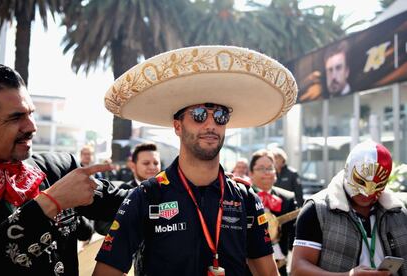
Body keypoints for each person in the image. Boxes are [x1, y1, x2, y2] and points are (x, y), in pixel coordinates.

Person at [93, 45, 298, 275]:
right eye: (199, 115)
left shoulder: (245, 198)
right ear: (178, 126)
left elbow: (268, 273)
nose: (211, 125)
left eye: (220, 116)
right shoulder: (146, 196)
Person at [0, 63, 128, 275]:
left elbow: (129, 202)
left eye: (31, 114)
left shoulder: (58, 170)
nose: (31, 127)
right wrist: (48, 204)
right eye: (16, 117)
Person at [291, 140, 407, 276]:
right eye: (360, 181)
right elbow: (298, 269)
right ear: (347, 170)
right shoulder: (317, 209)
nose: (367, 193)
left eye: (378, 185)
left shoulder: (400, 211)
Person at [249, 149, 297, 276]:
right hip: (249, 266)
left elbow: (294, 232)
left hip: (280, 264)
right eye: (261, 168)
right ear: (251, 173)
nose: (266, 173)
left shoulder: (288, 198)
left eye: (270, 168)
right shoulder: (243, 196)